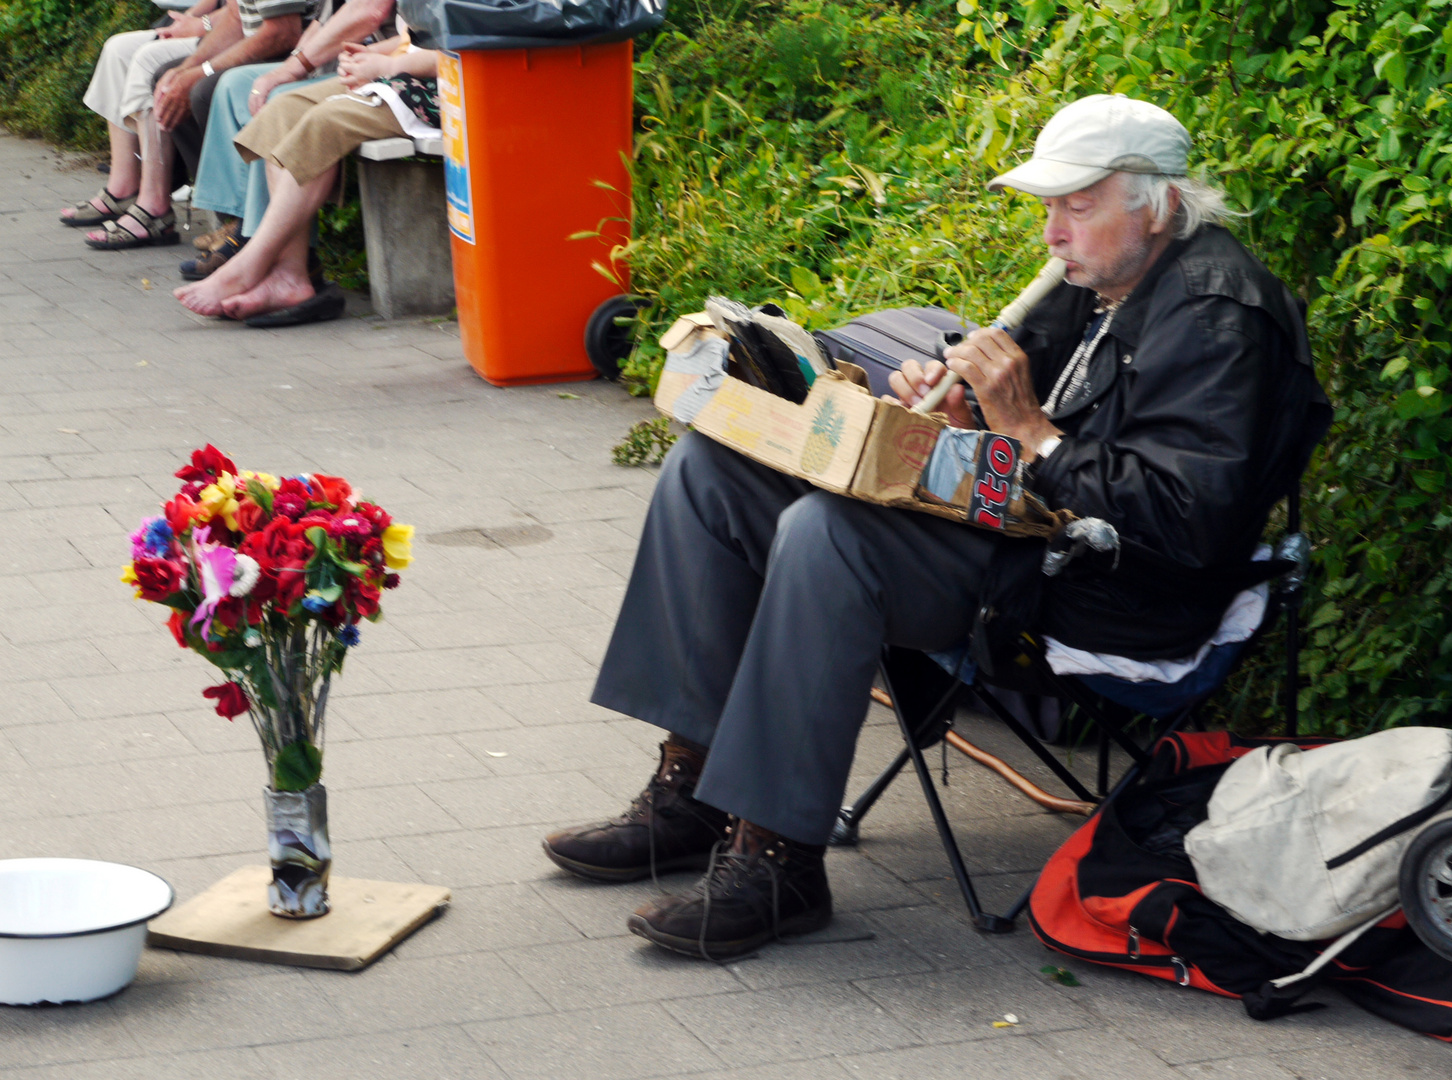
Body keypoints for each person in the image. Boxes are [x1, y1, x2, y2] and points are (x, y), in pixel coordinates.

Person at [540, 94, 1334, 960]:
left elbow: (1186, 525)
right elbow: (1031, 438)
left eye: (1078, 206)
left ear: (1159, 204)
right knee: (713, 471)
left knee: (828, 533)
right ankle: (691, 792)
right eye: (1047, 208)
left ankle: (779, 860)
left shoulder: (1222, 318)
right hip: (1027, 540)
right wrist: (959, 414)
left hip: (1112, 598)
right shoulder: (1104, 276)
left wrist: (1026, 429)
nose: (1052, 234)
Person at [173, 32, 439, 325]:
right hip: (405, 72)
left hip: (447, 86)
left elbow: (468, 48)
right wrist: (367, 55)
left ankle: (249, 264)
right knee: (283, 110)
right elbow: (417, 34)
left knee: (324, 123)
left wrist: (386, 66)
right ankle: (290, 274)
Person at [183, 0, 397, 280]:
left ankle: (266, 244)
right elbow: (324, 20)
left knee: (277, 102)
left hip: (376, 68)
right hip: (347, 62)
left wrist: (297, 66)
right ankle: (241, 224)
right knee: (231, 86)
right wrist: (294, 61)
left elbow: (369, 12)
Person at [81, 0, 315, 251]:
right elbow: (236, 20)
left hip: (300, 57)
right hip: (269, 47)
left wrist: (201, 69)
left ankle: (242, 224)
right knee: (171, 80)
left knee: (200, 91)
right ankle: (228, 219)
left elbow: (283, 33)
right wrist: (187, 69)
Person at [61, 1, 222, 227]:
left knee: (148, 59)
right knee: (117, 49)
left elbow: (239, 15)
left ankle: (154, 205)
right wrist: (184, 22)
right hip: (214, 23)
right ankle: (123, 188)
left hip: (232, 33)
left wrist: (201, 25)